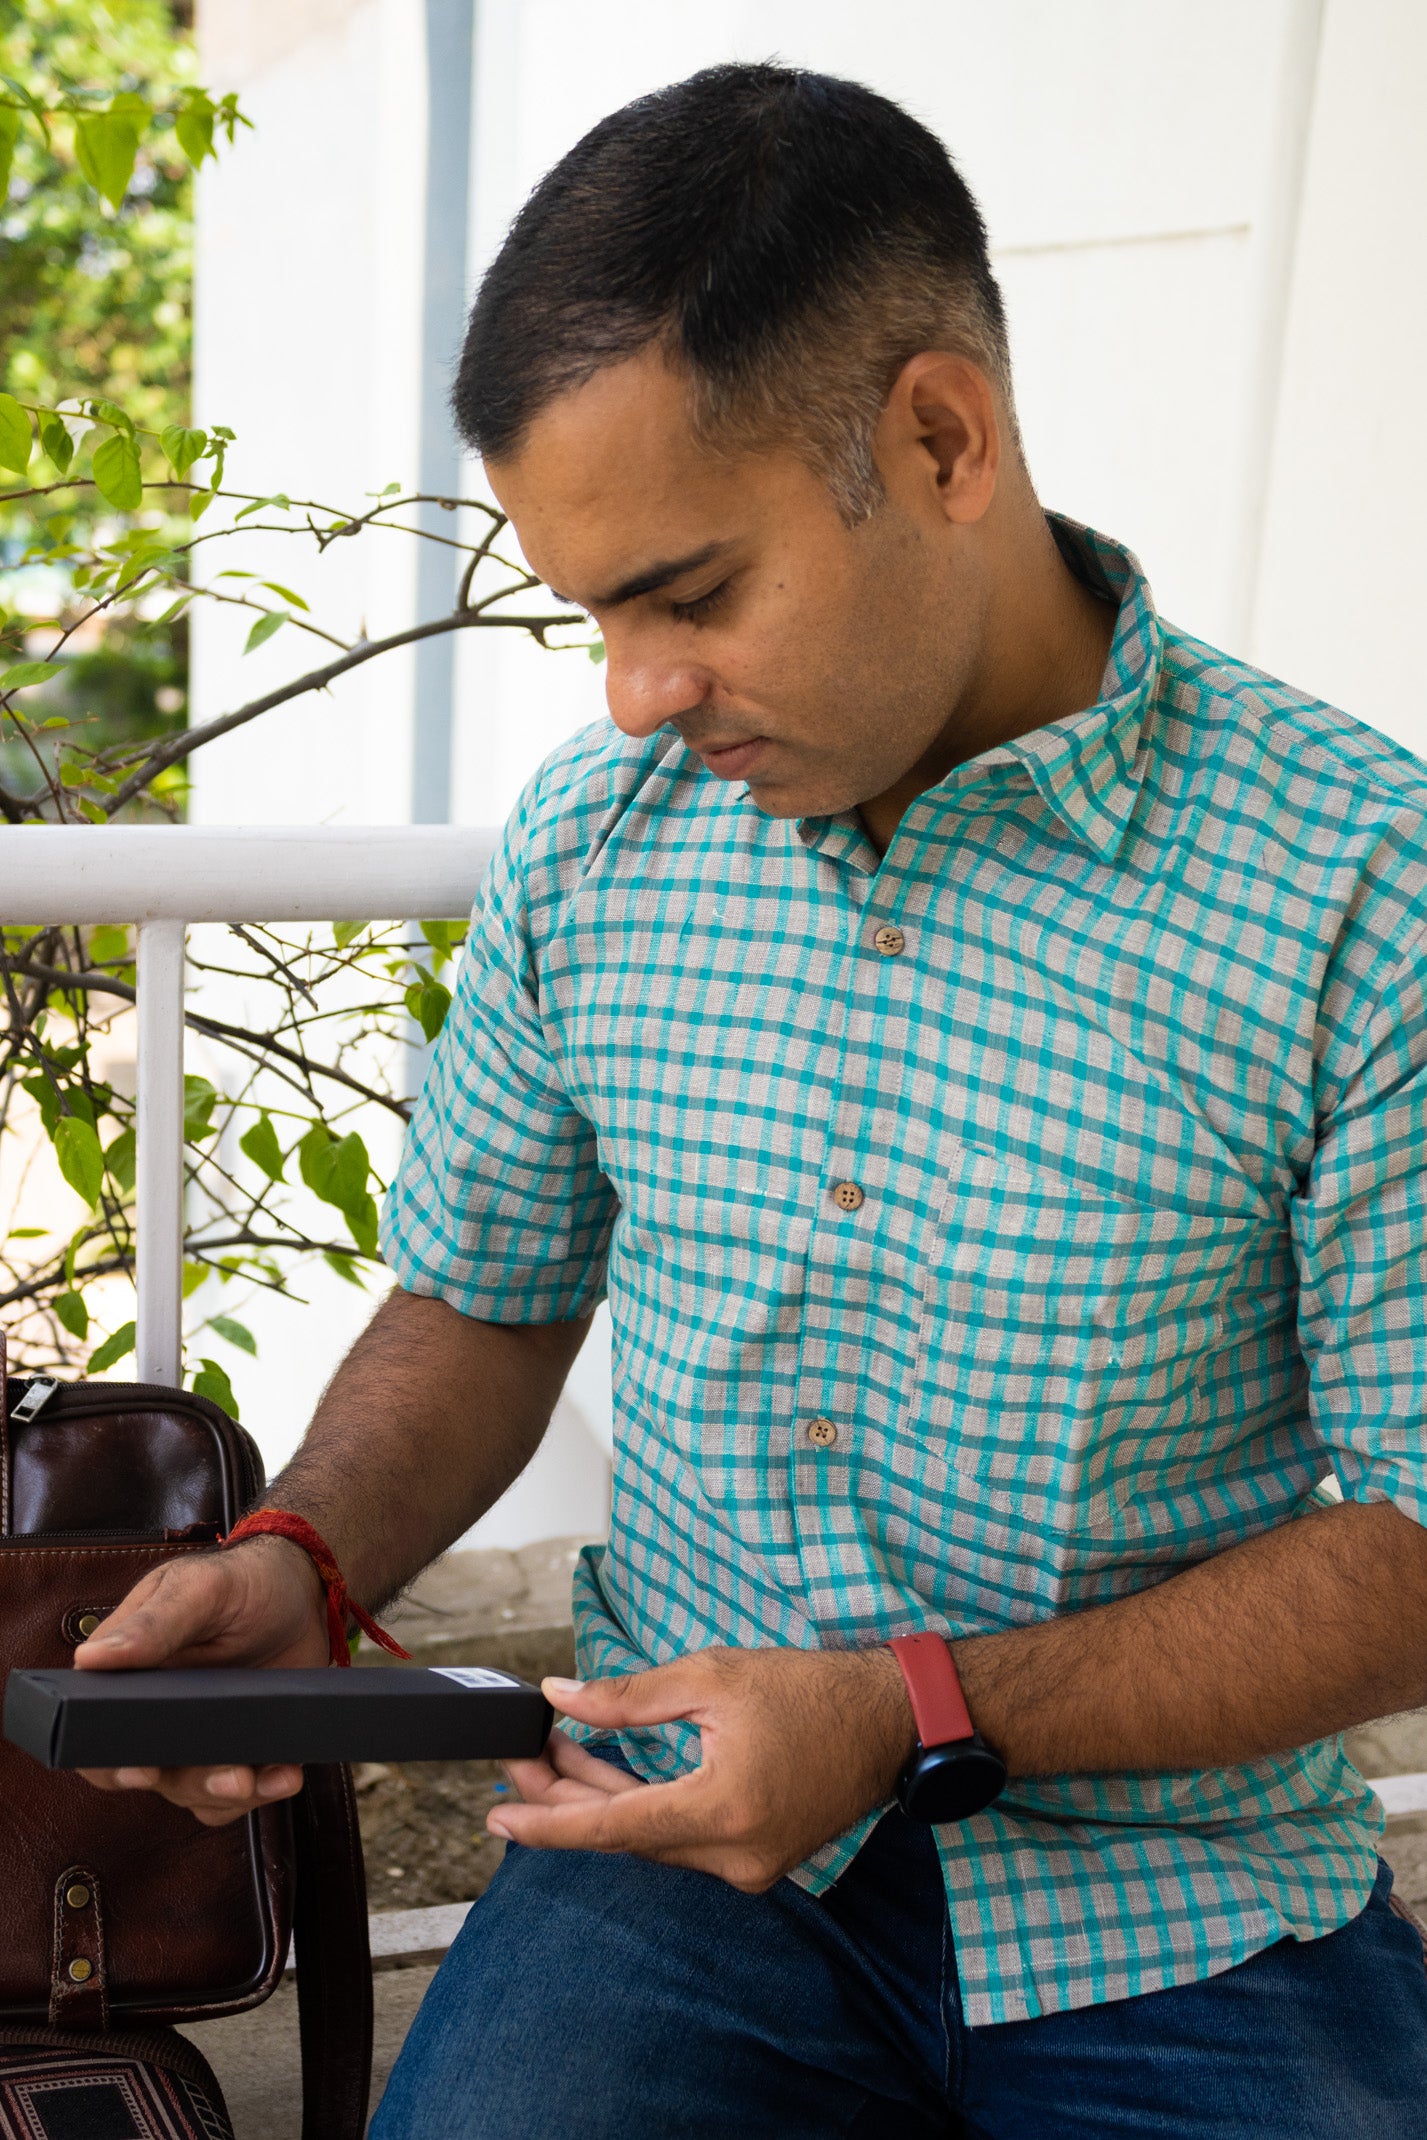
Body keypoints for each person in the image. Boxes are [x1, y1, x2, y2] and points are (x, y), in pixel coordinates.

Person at [75, 63, 1427, 2137]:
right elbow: (485, 1300)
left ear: (943, 436)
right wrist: (305, 1551)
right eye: (593, 610)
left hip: (1189, 1903)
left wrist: (907, 1713)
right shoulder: (596, 845)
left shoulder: (1361, 887)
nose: (631, 689)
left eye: (691, 594)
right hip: (666, 1857)